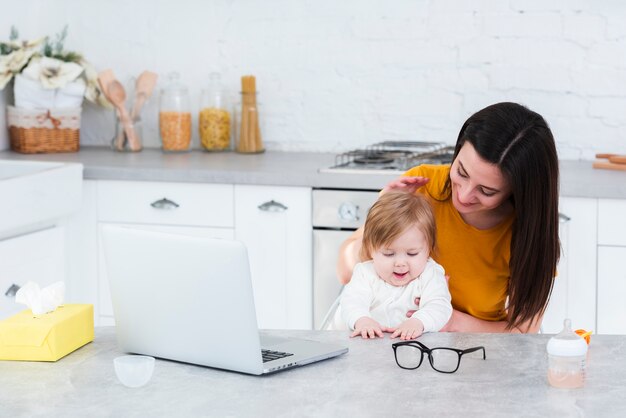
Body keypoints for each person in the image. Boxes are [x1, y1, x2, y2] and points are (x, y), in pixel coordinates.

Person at [337, 102, 560, 333]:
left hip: (479, 356)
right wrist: (381, 212)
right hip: (396, 352)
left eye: (486, 191)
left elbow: (524, 333)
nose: (463, 195)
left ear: (517, 192)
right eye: (461, 172)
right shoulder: (421, 187)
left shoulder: (529, 235)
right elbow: (345, 272)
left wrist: (449, 320)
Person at [336, 191, 452, 340]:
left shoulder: (431, 274)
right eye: (389, 254)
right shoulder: (365, 273)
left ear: (428, 248)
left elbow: (439, 306)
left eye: (412, 254)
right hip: (370, 349)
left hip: (413, 353)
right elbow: (351, 302)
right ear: (371, 249)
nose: (400, 263)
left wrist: (419, 322)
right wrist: (362, 320)